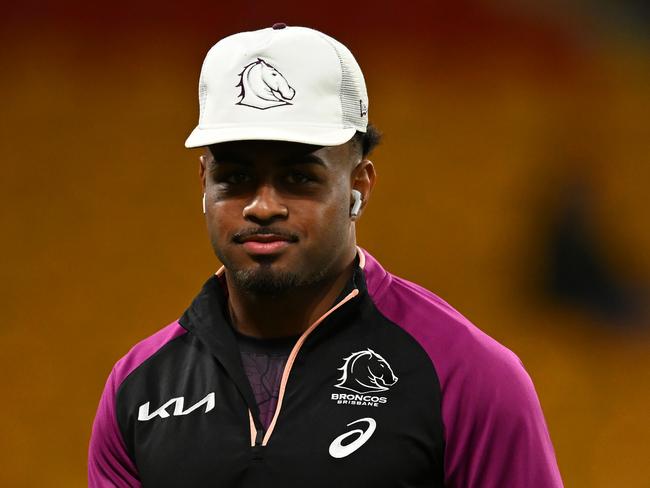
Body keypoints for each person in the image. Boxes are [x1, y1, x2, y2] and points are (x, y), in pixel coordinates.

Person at [88, 24, 563, 487]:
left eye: (298, 178)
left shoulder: (466, 376)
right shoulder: (137, 387)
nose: (263, 206)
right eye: (235, 177)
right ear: (203, 185)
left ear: (359, 186)